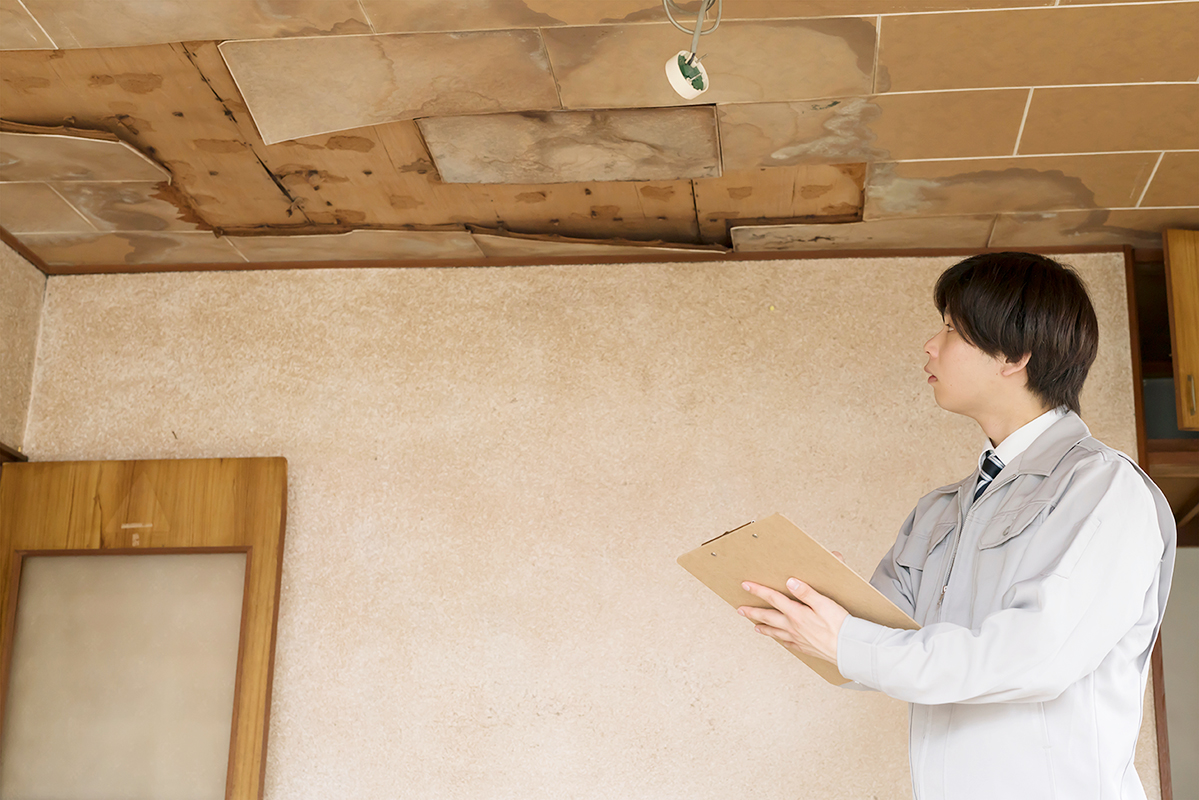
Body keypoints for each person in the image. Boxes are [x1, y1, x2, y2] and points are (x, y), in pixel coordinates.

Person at [737, 252, 1177, 800]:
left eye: (950, 329)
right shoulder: (939, 509)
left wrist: (850, 640)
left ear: (1014, 355)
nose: (930, 344)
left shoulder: (1104, 489)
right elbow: (870, 656)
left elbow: (1034, 656)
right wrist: (818, 607)